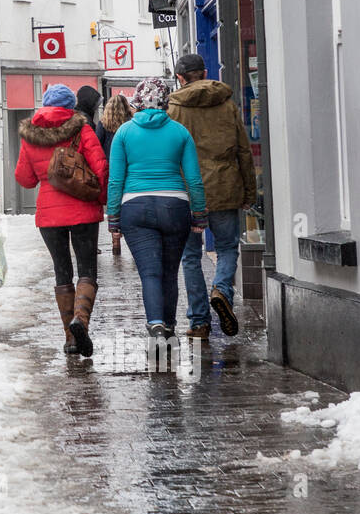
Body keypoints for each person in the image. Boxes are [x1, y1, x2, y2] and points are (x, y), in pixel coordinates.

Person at [106, 77, 207, 342]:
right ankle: (171, 325)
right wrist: (199, 214)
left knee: (150, 272)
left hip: (135, 208)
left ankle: (155, 323)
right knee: (170, 272)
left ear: (137, 101)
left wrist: (113, 219)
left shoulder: (124, 133)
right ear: (166, 100)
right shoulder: (180, 132)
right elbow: (194, 179)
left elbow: (116, 180)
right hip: (175, 205)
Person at [167, 53, 257, 339]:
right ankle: (221, 290)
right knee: (228, 247)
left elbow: (169, 154)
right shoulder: (227, 104)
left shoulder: (174, 108)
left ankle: (199, 322)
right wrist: (249, 191)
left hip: (187, 192)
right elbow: (244, 150)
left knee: (190, 256)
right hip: (225, 187)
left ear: (180, 77)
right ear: (205, 73)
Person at [14, 84, 108, 357]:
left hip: (48, 214)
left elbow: (25, 178)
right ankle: (82, 320)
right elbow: (100, 166)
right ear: (70, 106)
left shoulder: (31, 135)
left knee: (61, 271)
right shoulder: (82, 127)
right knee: (87, 269)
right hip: (83, 210)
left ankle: (70, 337)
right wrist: (100, 199)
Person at [99, 93, 133, 255]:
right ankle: (133, 241)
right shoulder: (131, 123)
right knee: (128, 202)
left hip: (111, 169)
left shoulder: (103, 123)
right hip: (128, 167)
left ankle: (115, 241)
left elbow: (97, 145)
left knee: (114, 202)